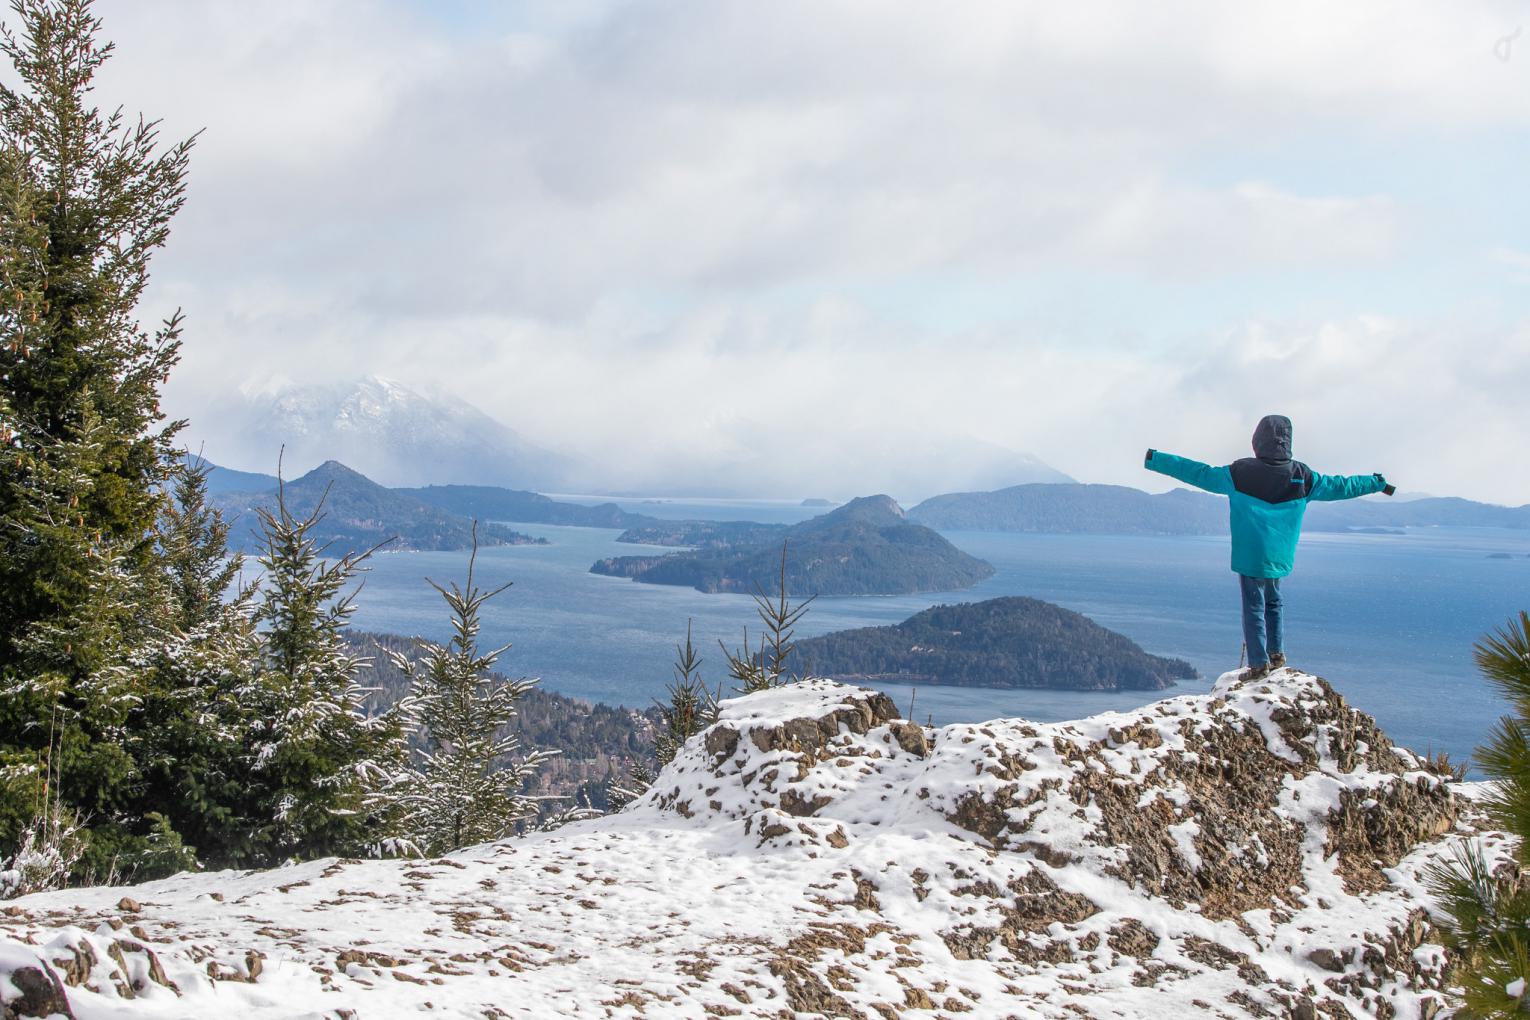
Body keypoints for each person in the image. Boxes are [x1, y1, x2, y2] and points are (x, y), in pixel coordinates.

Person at [1145, 414, 1394, 680]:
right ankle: (1277, 654)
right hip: (1279, 555)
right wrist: (1377, 483)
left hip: (1251, 554)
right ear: (1288, 441)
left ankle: (1258, 664)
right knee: (1273, 602)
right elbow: (1343, 486)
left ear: (1257, 440)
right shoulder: (1304, 477)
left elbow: (1198, 472)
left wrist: (1155, 459)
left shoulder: (1239, 473)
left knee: (1253, 605)